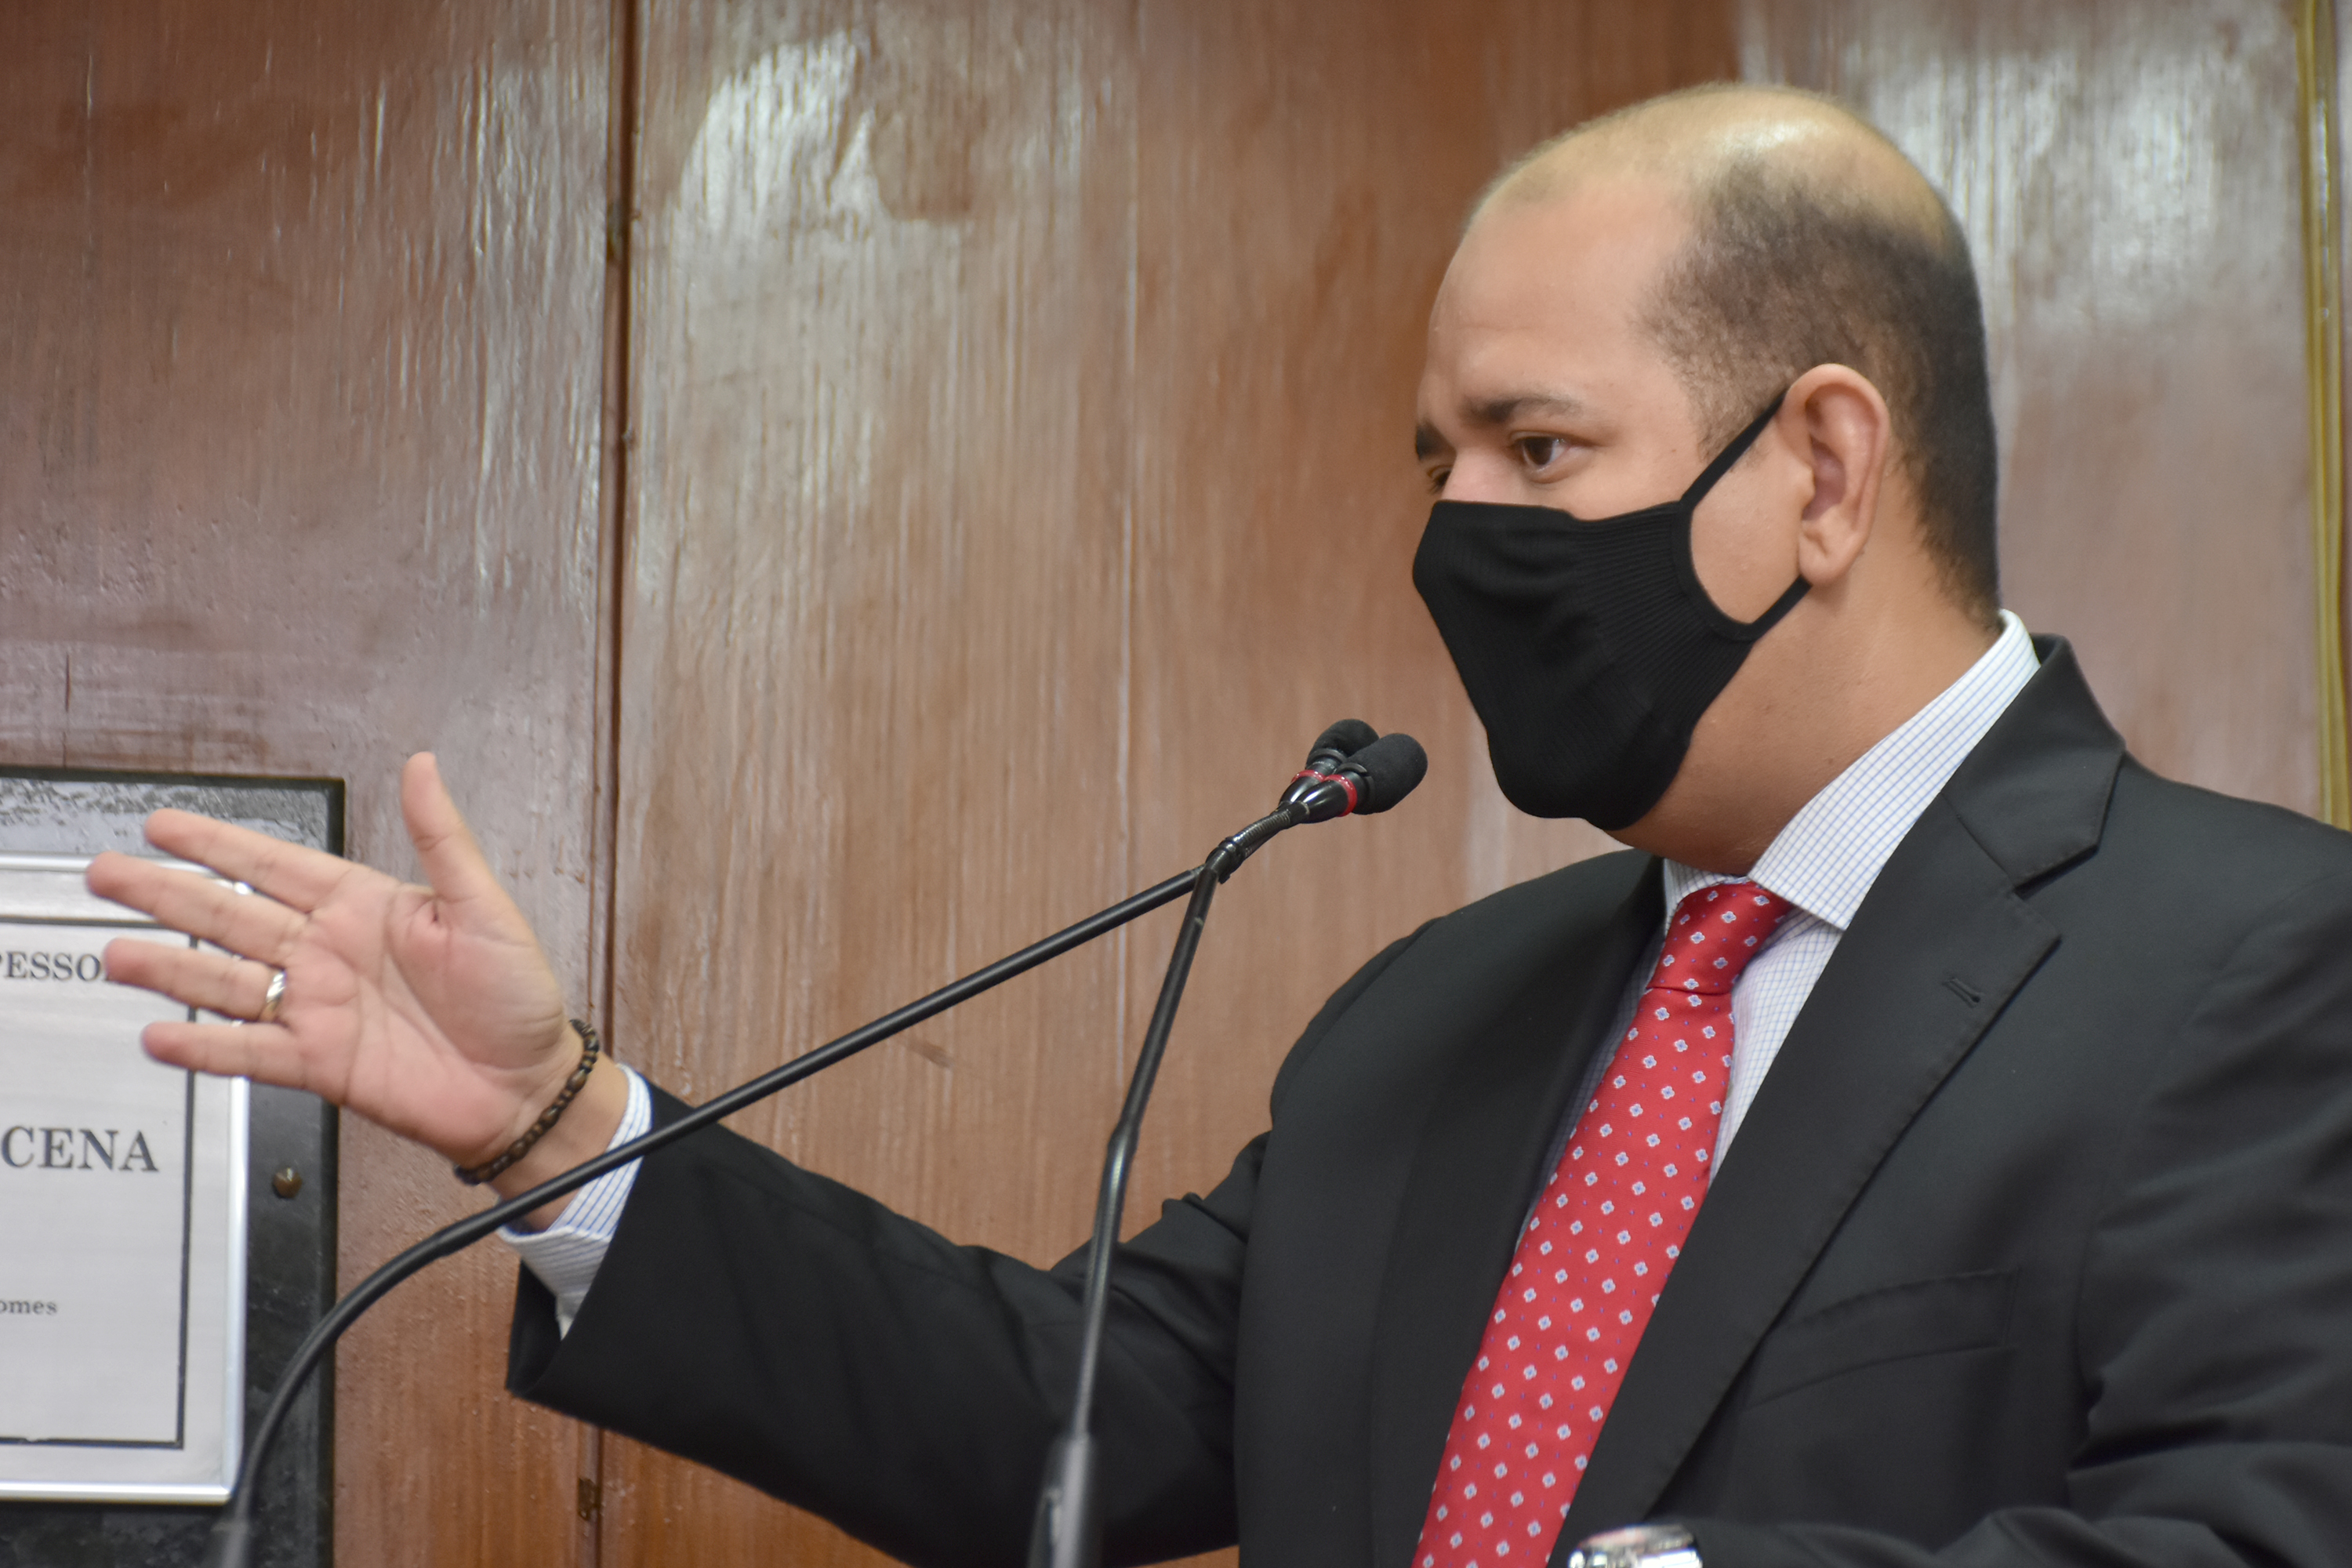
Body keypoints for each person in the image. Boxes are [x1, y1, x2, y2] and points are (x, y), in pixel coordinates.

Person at [89, 84, 2352, 1568]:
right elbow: (1033, 1429)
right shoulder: (1437, 1021)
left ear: (1826, 468)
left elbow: (2263, 1530)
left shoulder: (2259, 967)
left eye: (1540, 451)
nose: (1457, 533)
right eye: (1440, 462)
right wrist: (554, 1123)